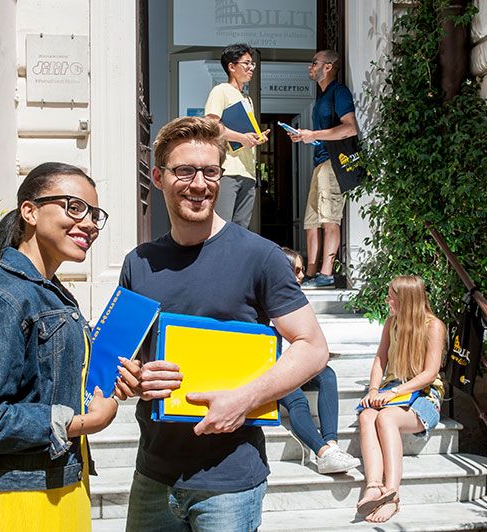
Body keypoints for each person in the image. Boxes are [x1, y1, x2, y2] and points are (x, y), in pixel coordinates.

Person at [114, 116, 328, 532]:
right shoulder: (137, 263)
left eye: (210, 172)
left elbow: (312, 347)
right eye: (184, 171)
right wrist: (135, 378)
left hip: (230, 481)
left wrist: (243, 400)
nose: (199, 184)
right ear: (158, 178)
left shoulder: (261, 257)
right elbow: (122, 363)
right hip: (153, 477)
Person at [0, 162, 120, 531]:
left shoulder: (52, 296)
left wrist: (111, 385)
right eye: (74, 207)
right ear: (30, 212)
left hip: (59, 491)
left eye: (94, 214)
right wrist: (87, 422)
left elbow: (51, 386)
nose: (89, 224)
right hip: (10, 504)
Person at [355, 275, 446, 524]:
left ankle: (392, 496)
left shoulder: (433, 326)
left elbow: (430, 374)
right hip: (393, 388)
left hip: (424, 393)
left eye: (391, 298)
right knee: (367, 416)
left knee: (386, 418)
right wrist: (374, 390)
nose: (387, 301)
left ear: (406, 300)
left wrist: (393, 393)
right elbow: (380, 360)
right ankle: (374, 486)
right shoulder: (391, 323)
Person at [277, 248, 360, 474]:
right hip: (274, 369)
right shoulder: (266, 300)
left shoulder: (299, 301)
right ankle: (323, 453)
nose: (302, 276)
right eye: (297, 270)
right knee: (298, 400)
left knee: (327, 374)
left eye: (302, 270)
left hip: (297, 363)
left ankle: (332, 445)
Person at [287, 49, 359, 288]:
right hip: (320, 163)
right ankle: (309, 273)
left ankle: (326, 274)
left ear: (328, 67)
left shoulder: (339, 92)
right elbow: (323, 135)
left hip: (334, 163)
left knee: (329, 219)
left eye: (314, 63)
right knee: (311, 222)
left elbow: (350, 128)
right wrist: (306, 137)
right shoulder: (321, 98)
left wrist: (314, 134)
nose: (310, 67)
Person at [204, 43, 270, 229]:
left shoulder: (247, 99)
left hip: (248, 172)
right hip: (228, 170)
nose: (251, 68)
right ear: (231, 66)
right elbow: (211, 126)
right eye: (246, 63)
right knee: (222, 226)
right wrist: (242, 138)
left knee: (241, 228)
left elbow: (245, 134)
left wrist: (256, 138)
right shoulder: (221, 90)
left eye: (252, 64)